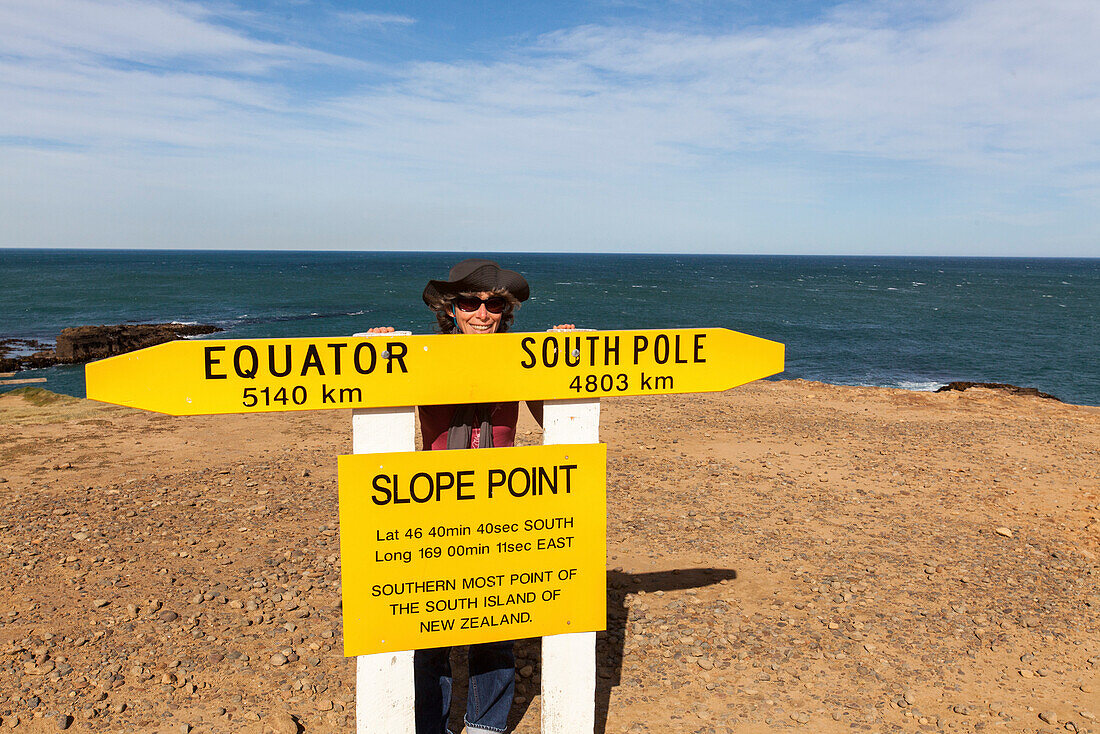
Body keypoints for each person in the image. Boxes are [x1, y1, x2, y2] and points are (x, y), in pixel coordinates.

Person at [368, 258, 572, 734]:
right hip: (432, 503)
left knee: (497, 624)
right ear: (451, 310)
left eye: (493, 303)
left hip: (503, 500)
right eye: (470, 303)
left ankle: (486, 725)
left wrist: (566, 355)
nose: (482, 313)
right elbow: (381, 399)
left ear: (504, 311)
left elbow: (553, 416)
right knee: (427, 626)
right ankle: (430, 726)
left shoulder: (523, 356)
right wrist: (376, 350)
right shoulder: (420, 355)